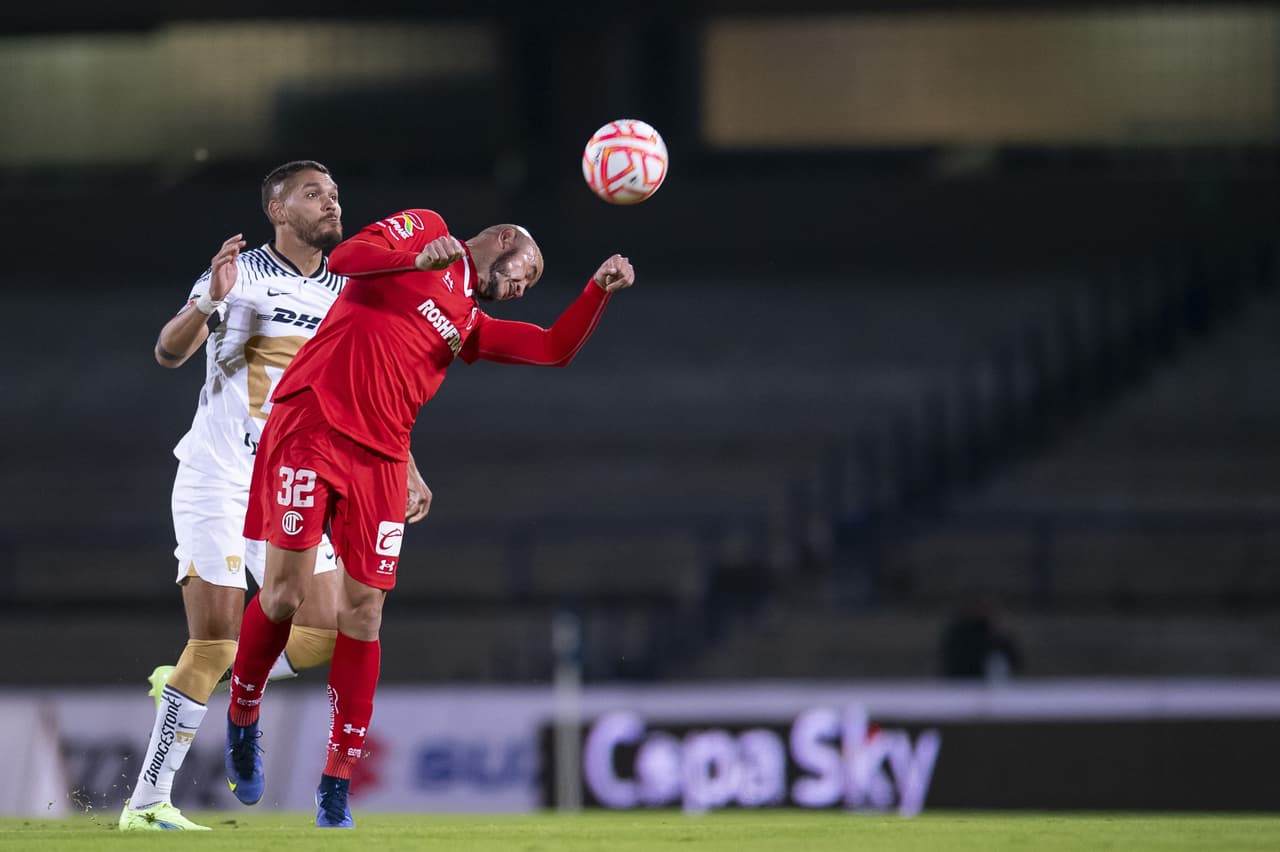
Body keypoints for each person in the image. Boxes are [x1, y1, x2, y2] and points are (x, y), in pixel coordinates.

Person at [223, 207, 634, 828]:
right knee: (283, 596)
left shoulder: (468, 318)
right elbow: (343, 259)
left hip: (382, 459)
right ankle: (245, 710)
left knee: (363, 612)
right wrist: (415, 257)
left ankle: (336, 782)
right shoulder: (423, 230)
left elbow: (551, 349)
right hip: (311, 425)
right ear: (501, 240)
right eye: (526, 272)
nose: (524, 287)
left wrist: (595, 292)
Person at [119, 162, 433, 832]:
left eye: (337, 193)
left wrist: (404, 462)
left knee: (322, 633)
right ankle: (147, 804)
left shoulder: (352, 290)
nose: (332, 202)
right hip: (220, 478)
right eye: (314, 193)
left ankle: (203, 688)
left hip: (299, 478)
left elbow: (373, 385)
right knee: (216, 638)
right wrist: (209, 302)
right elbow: (168, 351)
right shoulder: (240, 274)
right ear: (277, 208)